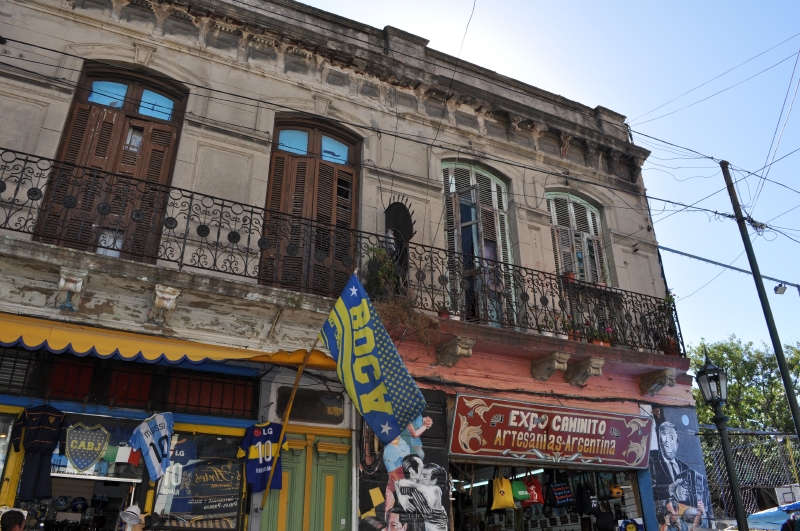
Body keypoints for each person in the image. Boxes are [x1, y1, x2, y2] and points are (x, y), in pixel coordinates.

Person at [650, 422, 708, 523]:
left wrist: (702, 508)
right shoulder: (651, 461)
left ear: (677, 440)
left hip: (686, 519)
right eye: (663, 436)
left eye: (671, 437)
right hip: (665, 519)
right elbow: (647, 489)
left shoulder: (686, 469)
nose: (666, 441)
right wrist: (668, 490)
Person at [383, 417, 433, 510]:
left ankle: (397, 505)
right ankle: (397, 504)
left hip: (401, 451)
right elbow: (415, 434)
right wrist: (425, 425)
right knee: (394, 485)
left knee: (393, 486)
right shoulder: (392, 450)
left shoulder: (403, 445)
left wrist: (425, 422)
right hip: (395, 455)